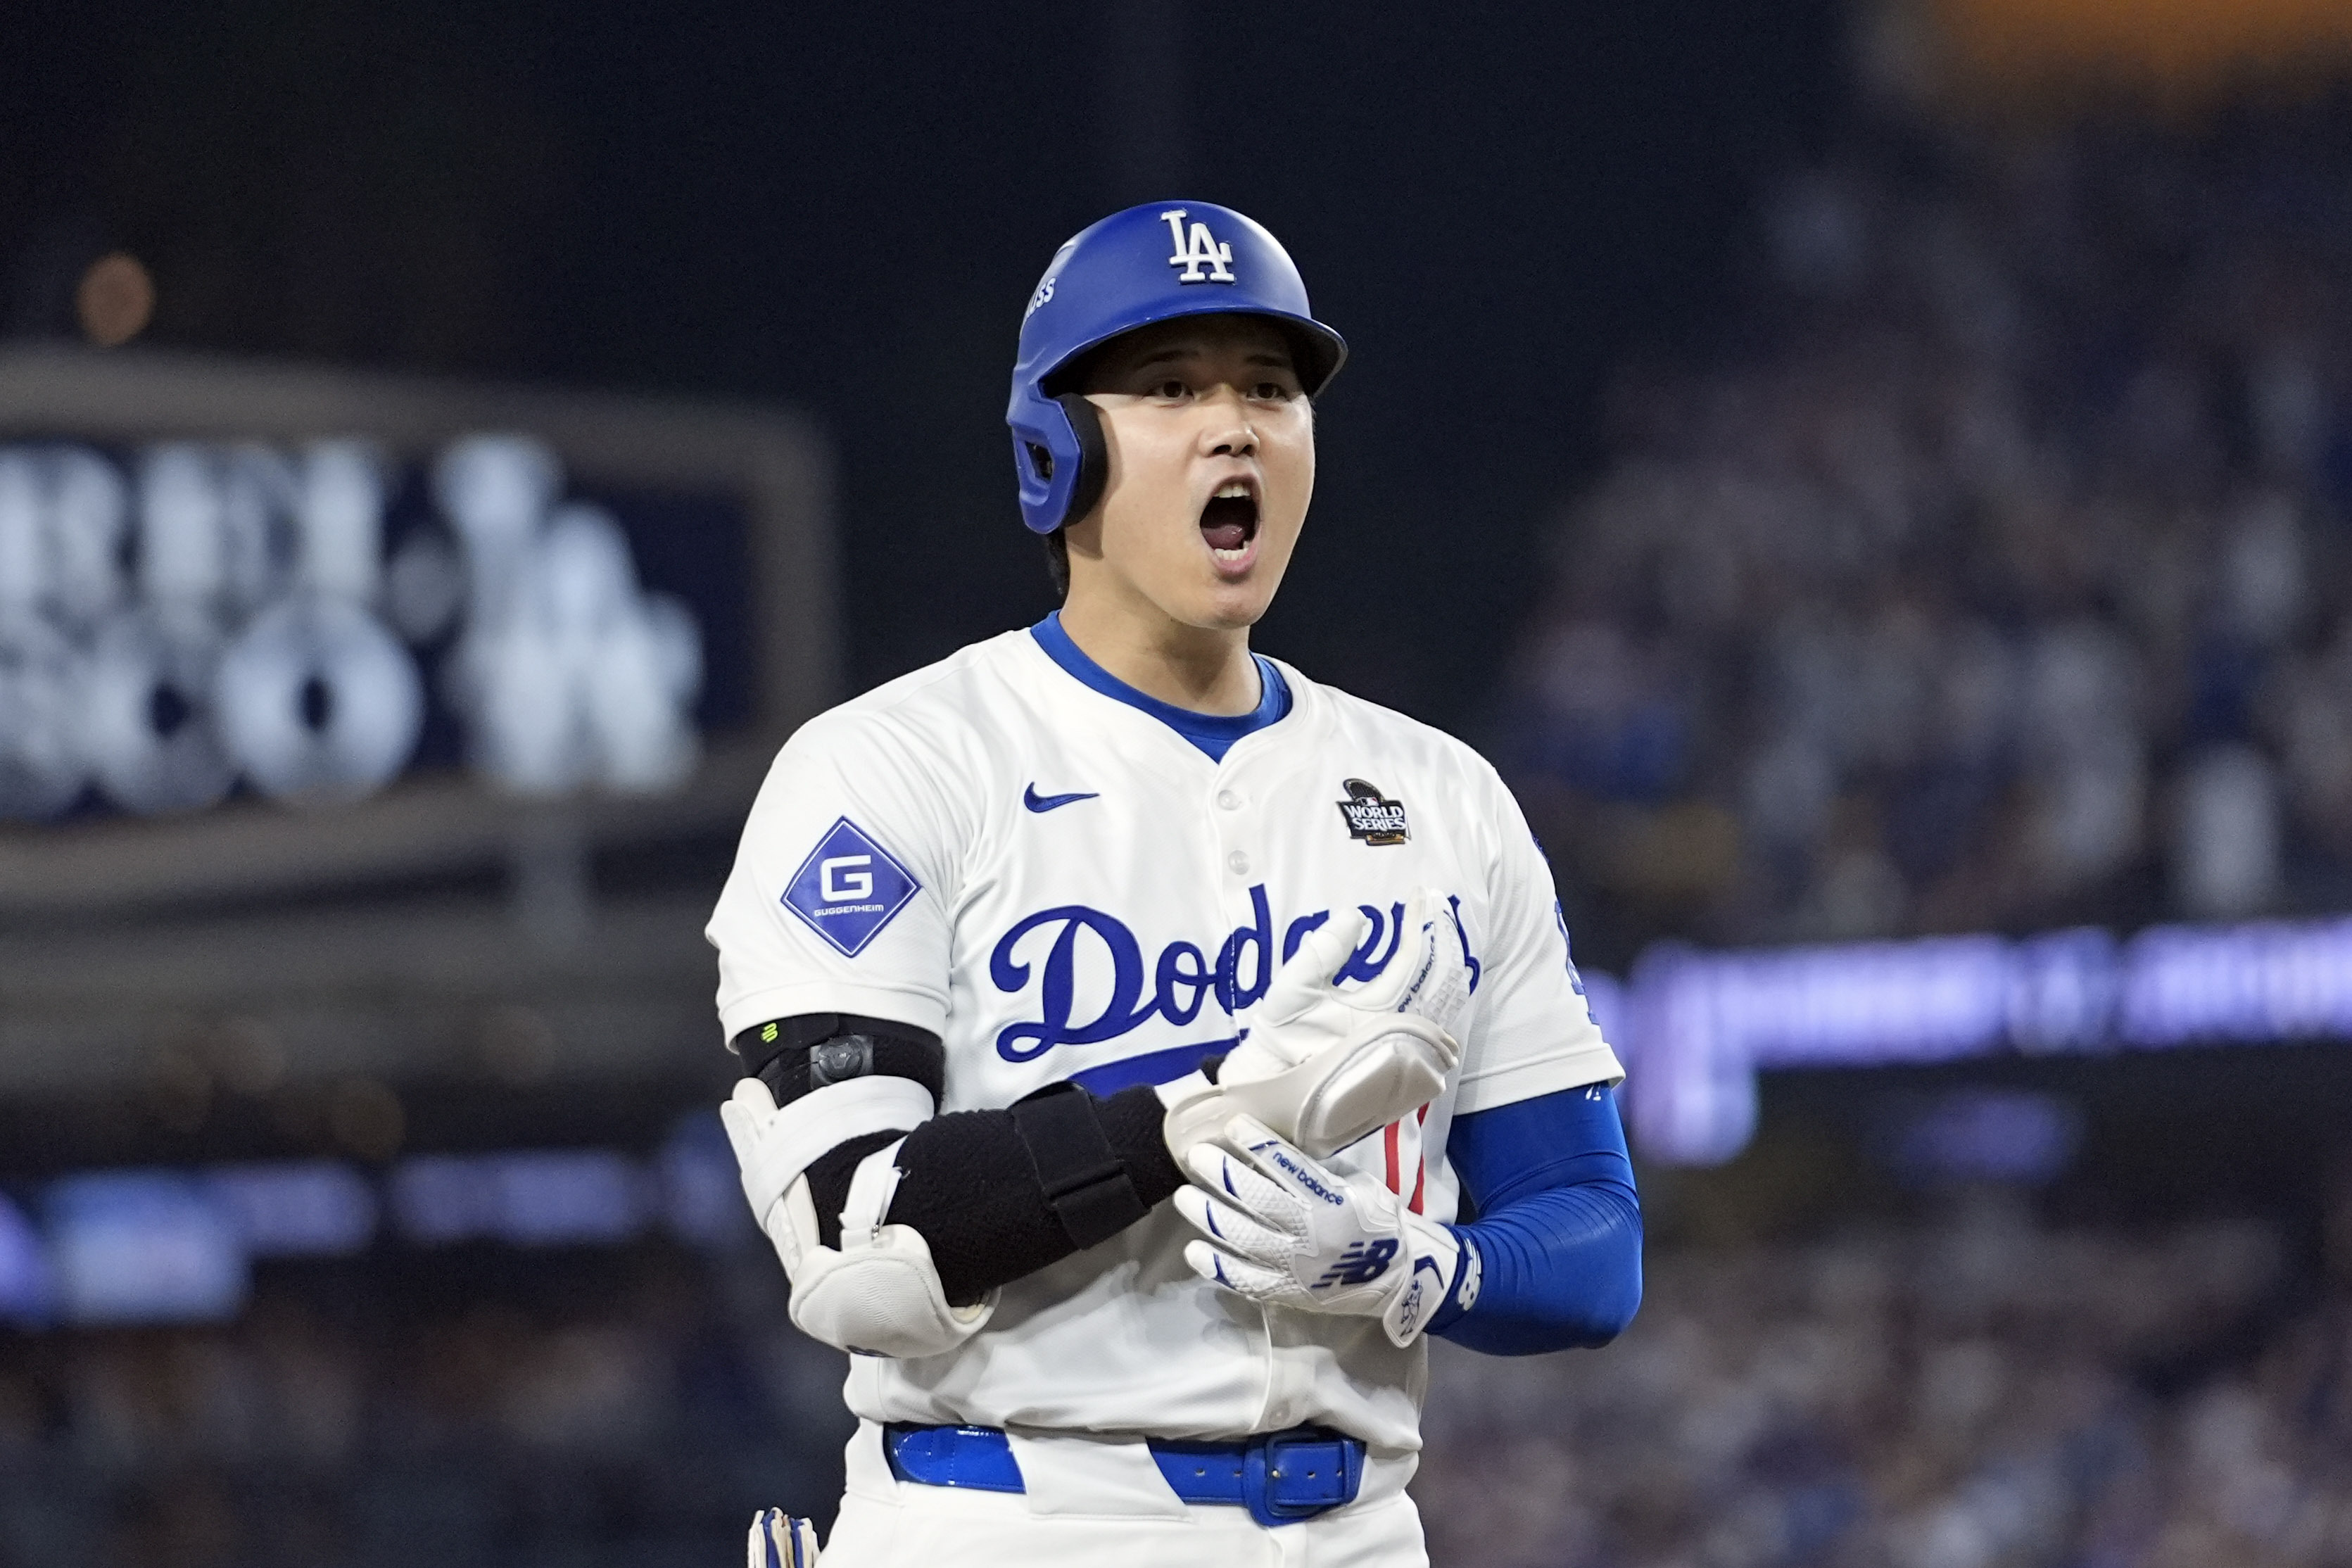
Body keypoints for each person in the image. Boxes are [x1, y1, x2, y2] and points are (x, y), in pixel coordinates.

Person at [710, 201, 1642, 1568]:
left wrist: (1413, 1265)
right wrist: (1195, 1120)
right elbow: (855, 1237)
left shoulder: (1444, 796)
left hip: (1359, 1529)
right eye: (1167, 387)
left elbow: (1596, 1244)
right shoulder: (891, 768)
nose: (1235, 424)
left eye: (1269, 388)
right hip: (1016, 1515)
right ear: (1056, 448)